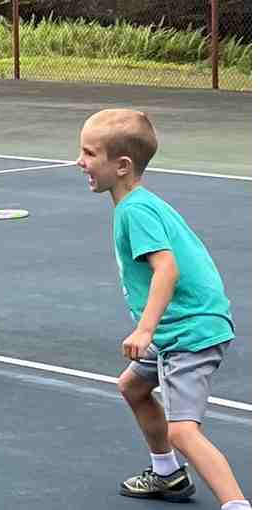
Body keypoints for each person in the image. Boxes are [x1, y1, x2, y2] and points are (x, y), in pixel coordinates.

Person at [76, 109, 250, 509]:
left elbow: (166, 270)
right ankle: (168, 475)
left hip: (187, 332)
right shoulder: (137, 204)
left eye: (88, 153)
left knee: (184, 431)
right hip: (183, 324)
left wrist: (145, 330)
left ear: (122, 166)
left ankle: (236, 504)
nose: (79, 161)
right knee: (133, 386)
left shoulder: (136, 211)